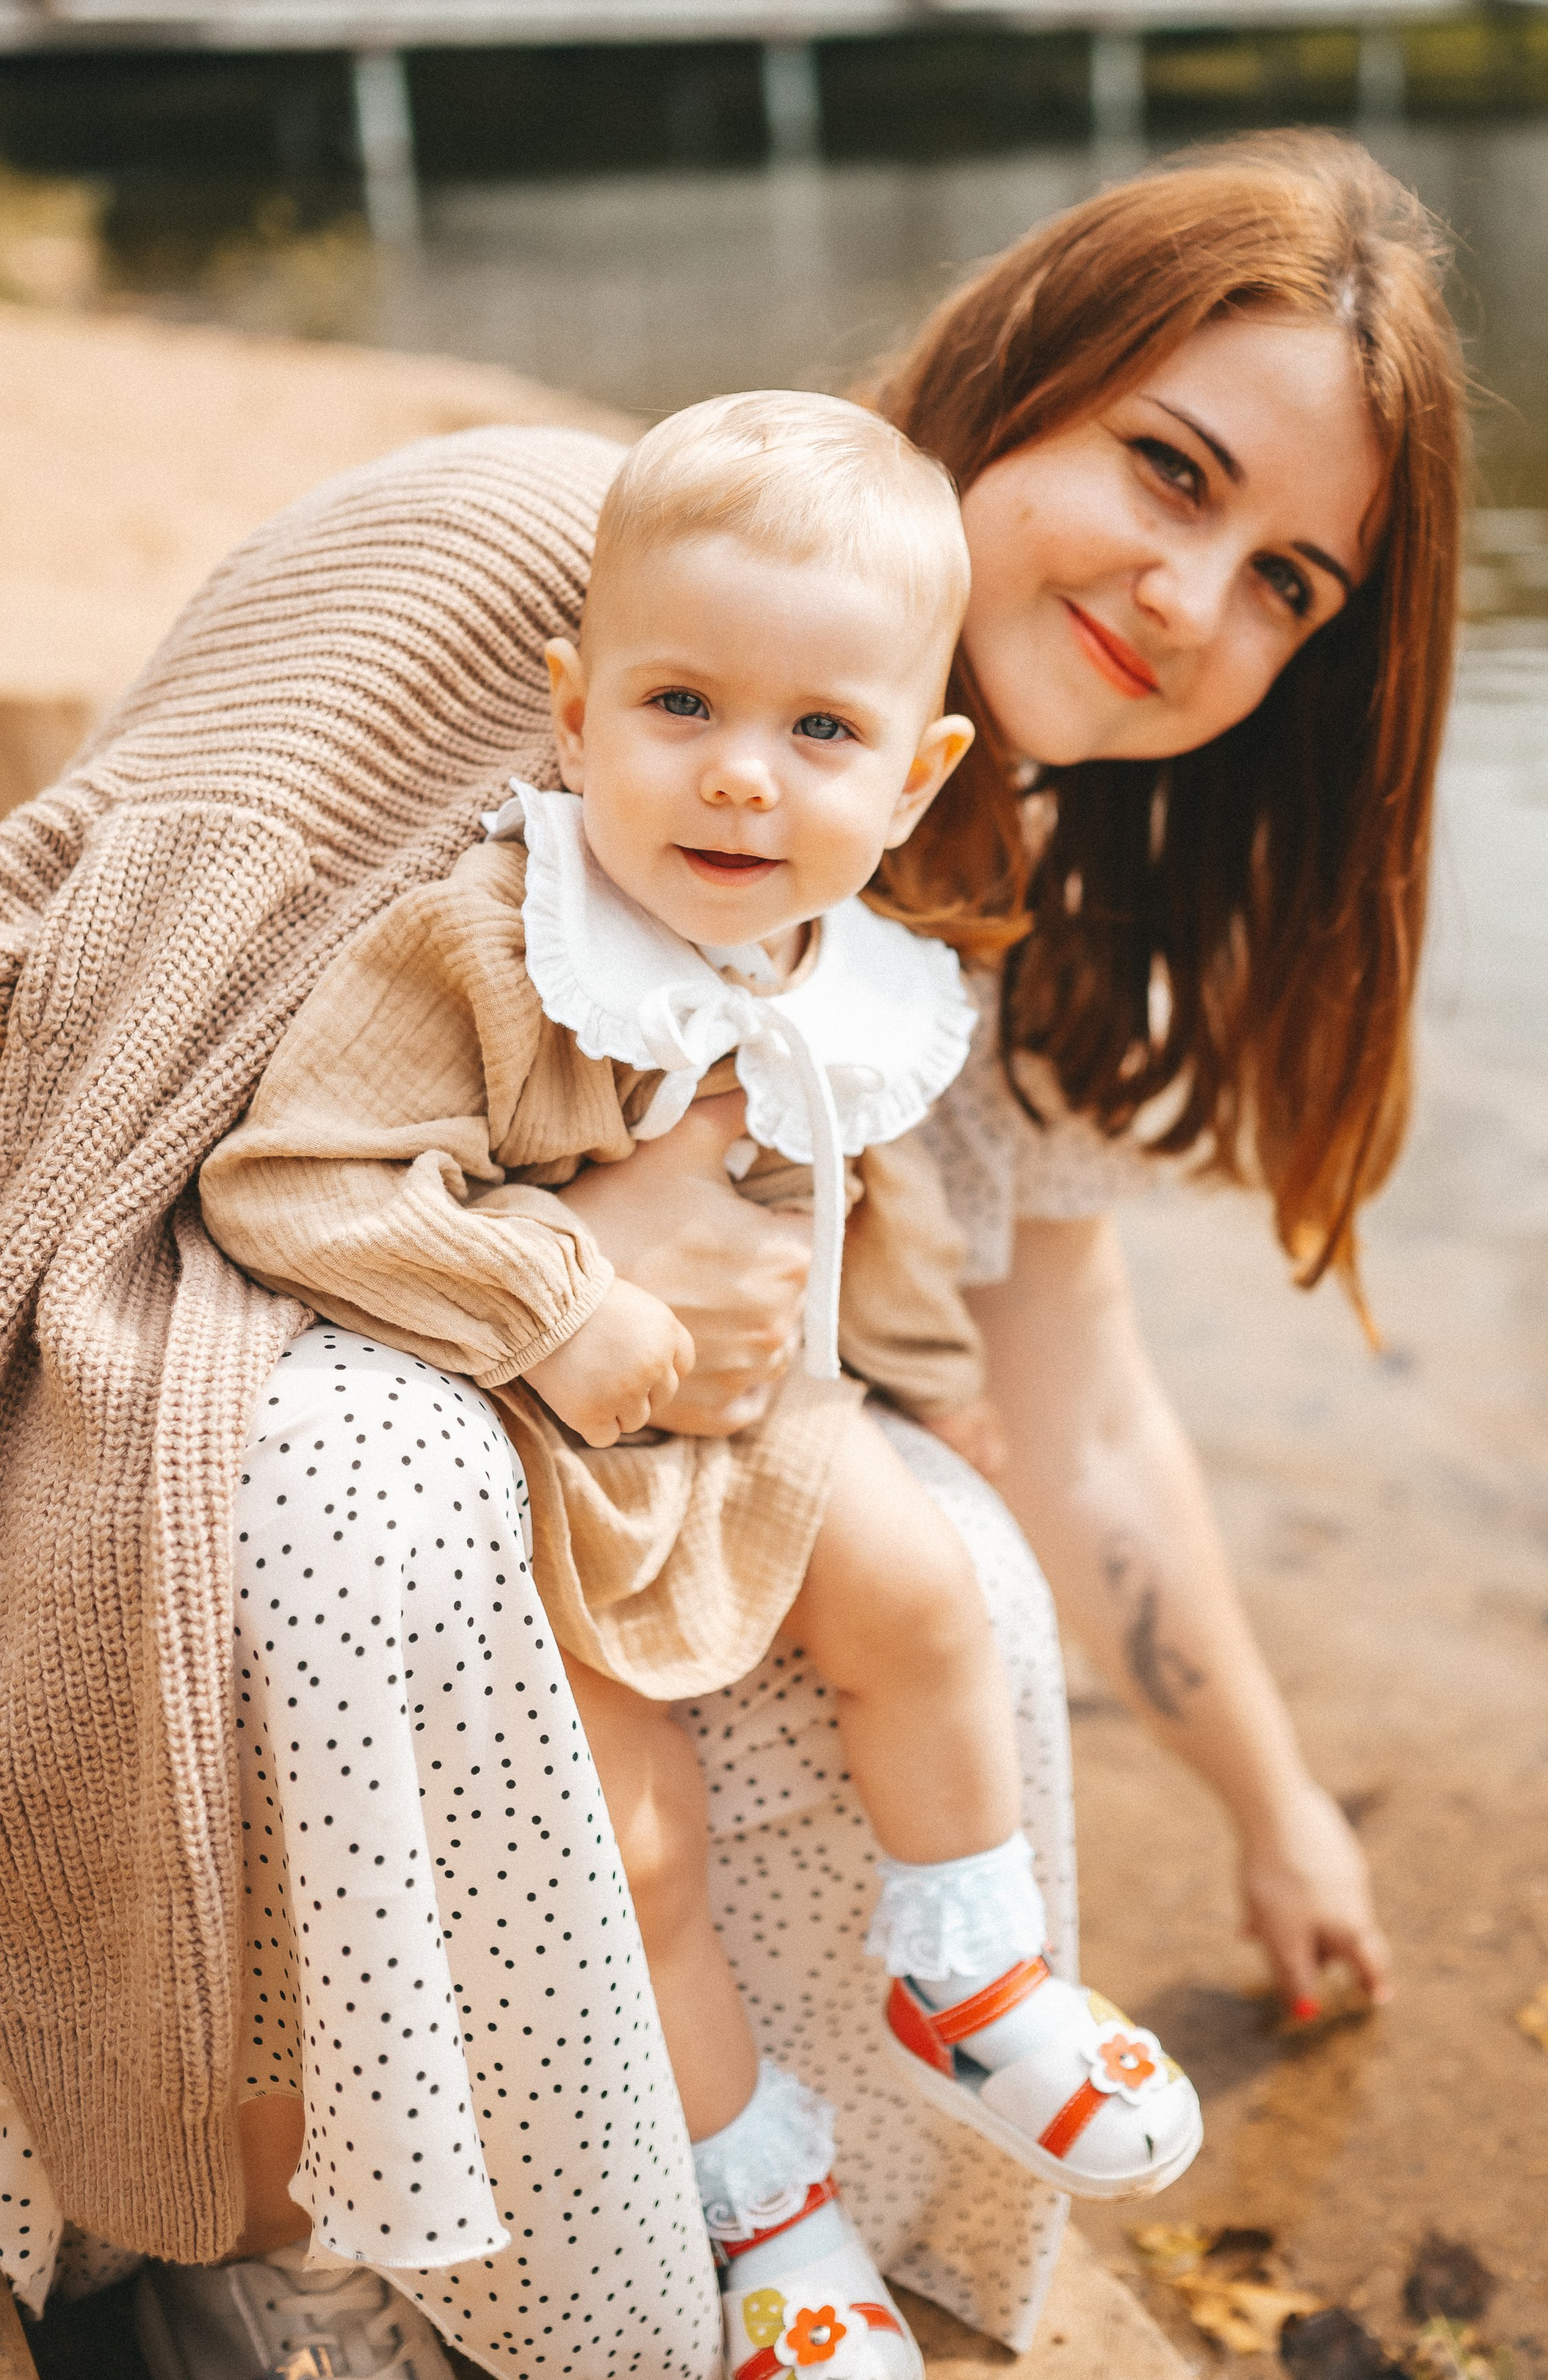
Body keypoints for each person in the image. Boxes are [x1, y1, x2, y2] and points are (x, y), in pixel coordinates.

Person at [0, 130, 1463, 2379]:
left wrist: (1274, 1810)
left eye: (1288, 584)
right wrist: (580, 1254)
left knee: (943, 1554)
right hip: (234, 1403)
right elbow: (120, 987)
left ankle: (771, 2196)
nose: (1195, 598)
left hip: (612, 1532)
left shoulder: (987, 937)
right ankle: (284, 2245)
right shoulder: (567, 579)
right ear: (1021, 372)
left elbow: (1077, 1397)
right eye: (1169, 472)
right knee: (376, 1481)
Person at [195, 392, 1201, 2379]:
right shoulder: (494, 940)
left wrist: (927, 1382)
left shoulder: (846, 972)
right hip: (530, 1468)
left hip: (746, 1441)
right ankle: (770, 2208)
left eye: (821, 733)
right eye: (682, 705)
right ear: (574, 713)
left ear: (913, 776)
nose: (744, 780)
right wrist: (552, 1291)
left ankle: (970, 1968)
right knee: (639, 1838)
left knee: (919, 1575)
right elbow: (291, 1174)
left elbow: (866, 1207)